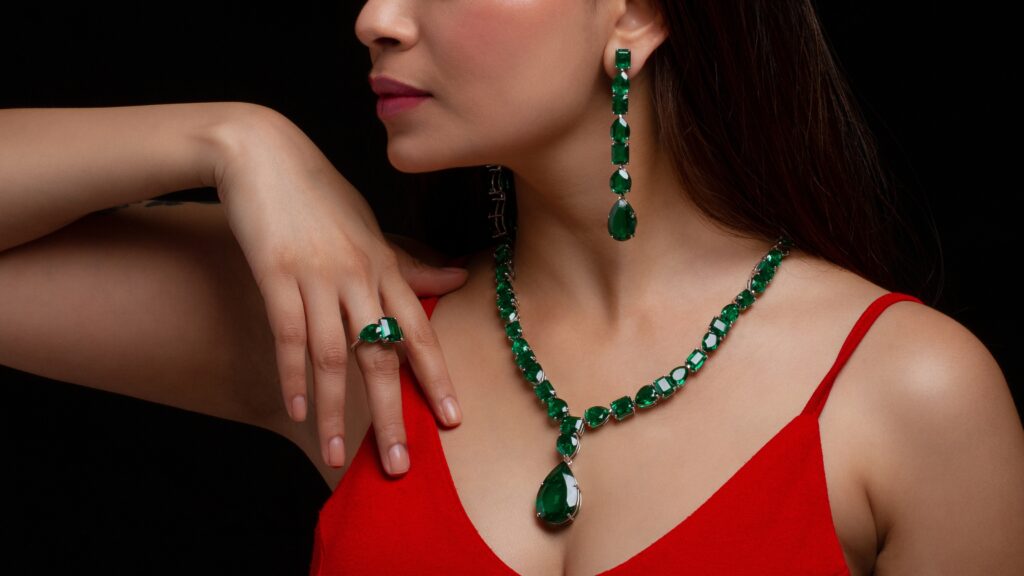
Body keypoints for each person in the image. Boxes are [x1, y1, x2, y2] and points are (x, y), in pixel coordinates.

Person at [1, 1, 1021, 575]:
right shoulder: (357, 332)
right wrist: (228, 136)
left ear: (634, 13)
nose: (374, 18)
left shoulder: (906, 395)